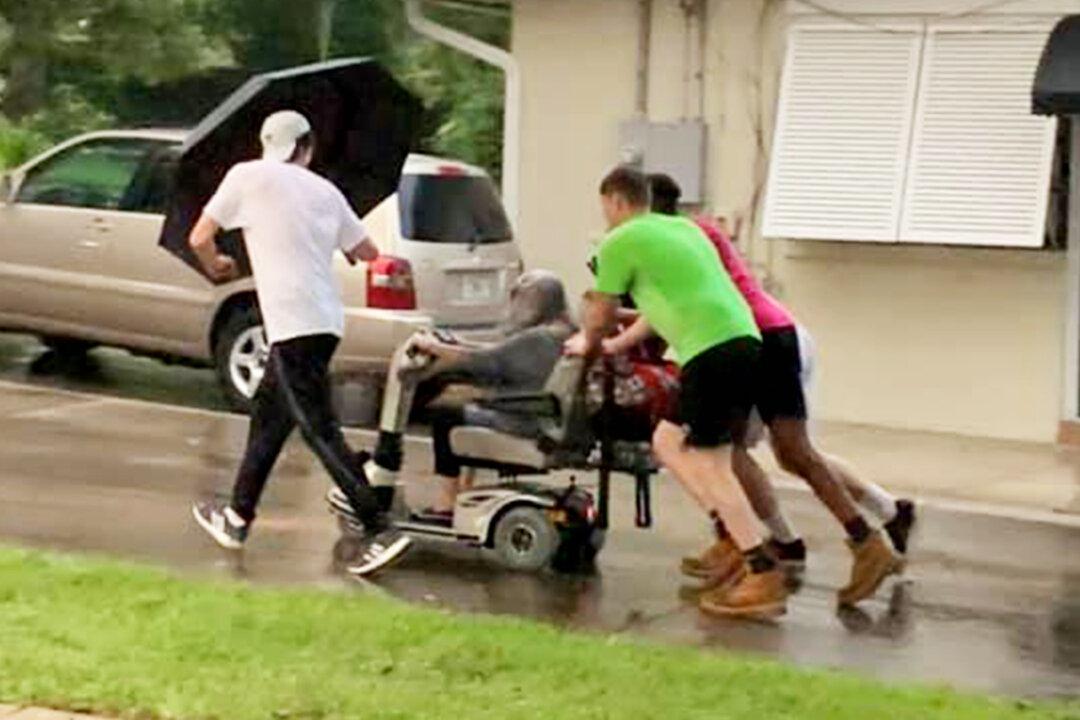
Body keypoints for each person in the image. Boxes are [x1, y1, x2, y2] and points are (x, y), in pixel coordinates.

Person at [641, 173, 910, 606]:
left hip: (752, 338)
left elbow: (688, 300)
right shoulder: (697, 231)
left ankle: (755, 550)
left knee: (730, 451)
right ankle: (861, 541)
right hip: (769, 332)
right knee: (786, 452)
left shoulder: (681, 239)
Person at [188, 110, 411, 577]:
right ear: (305, 146)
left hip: (291, 323)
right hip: (325, 321)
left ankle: (379, 526)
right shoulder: (326, 192)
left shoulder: (246, 176)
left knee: (317, 427)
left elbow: (200, 237)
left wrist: (218, 265)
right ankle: (236, 517)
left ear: (266, 143)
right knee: (268, 424)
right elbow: (368, 253)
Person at [568, 165, 788, 619]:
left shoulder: (620, 241)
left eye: (604, 208)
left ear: (614, 201)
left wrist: (589, 344)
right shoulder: (683, 230)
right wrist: (615, 343)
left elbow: (600, 311)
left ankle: (760, 568)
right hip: (739, 340)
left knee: (711, 463)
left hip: (711, 351)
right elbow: (662, 303)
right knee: (668, 441)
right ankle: (733, 536)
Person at [332, 270, 578, 523]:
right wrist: (454, 344)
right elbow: (498, 354)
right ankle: (464, 492)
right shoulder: (563, 332)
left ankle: (446, 503)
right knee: (459, 401)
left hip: (521, 420)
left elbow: (487, 361)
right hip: (538, 415)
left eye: (519, 297)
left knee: (445, 415)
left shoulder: (539, 339)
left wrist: (436, 348)